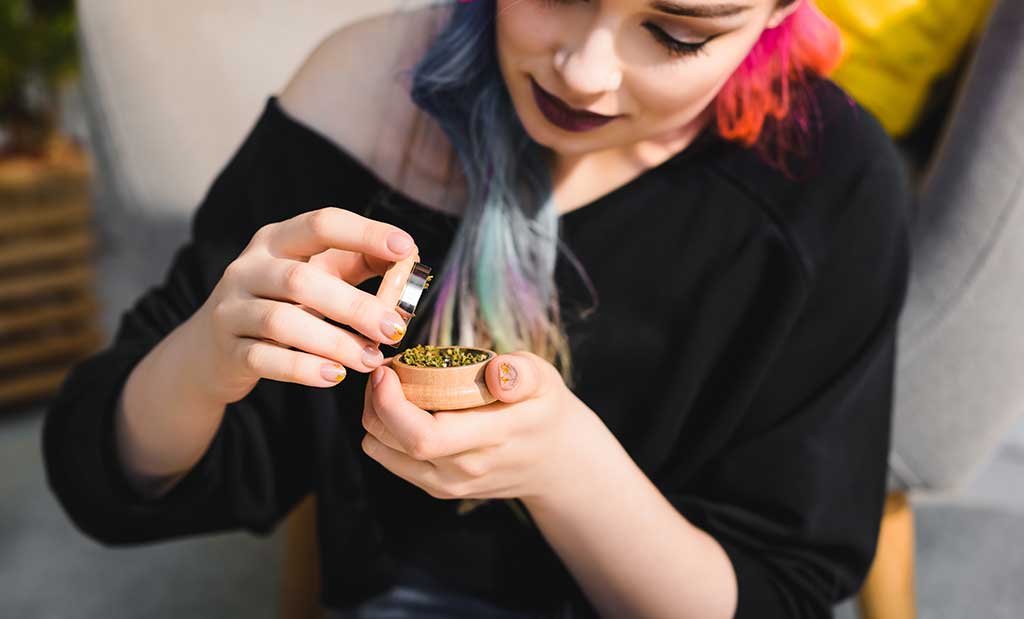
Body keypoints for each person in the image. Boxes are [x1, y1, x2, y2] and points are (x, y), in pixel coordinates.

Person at [41, 0, 913, 617]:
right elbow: (103, 477)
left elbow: (779, 591)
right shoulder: (369, 105)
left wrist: (565, 470)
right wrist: (206, 356)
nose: (583, 70)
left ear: (775, 13)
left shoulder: (822, 185)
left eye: (676, 29)